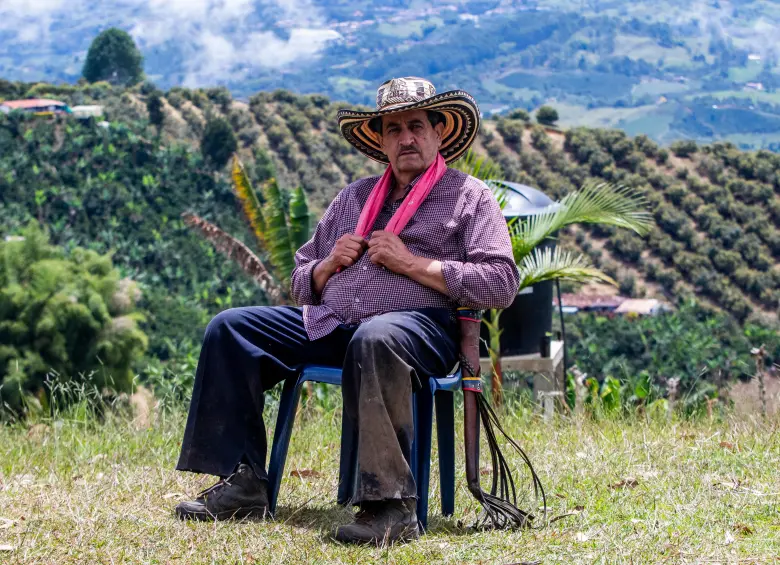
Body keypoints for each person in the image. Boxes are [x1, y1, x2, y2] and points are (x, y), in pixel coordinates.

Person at [173, 77, 519, 544]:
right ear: (380, 140)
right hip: (335, 325)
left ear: (439, 132)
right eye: (393, 130)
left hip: (418, 333)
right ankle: (244, 483)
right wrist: (327, 266)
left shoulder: (469, 197)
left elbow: (500, 283)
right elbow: (299, 277)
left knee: (376, 336)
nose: (406, 138)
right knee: (231, 328)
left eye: (416, 126)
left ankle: (389, 506)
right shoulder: (354, 198)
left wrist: (411, 263)